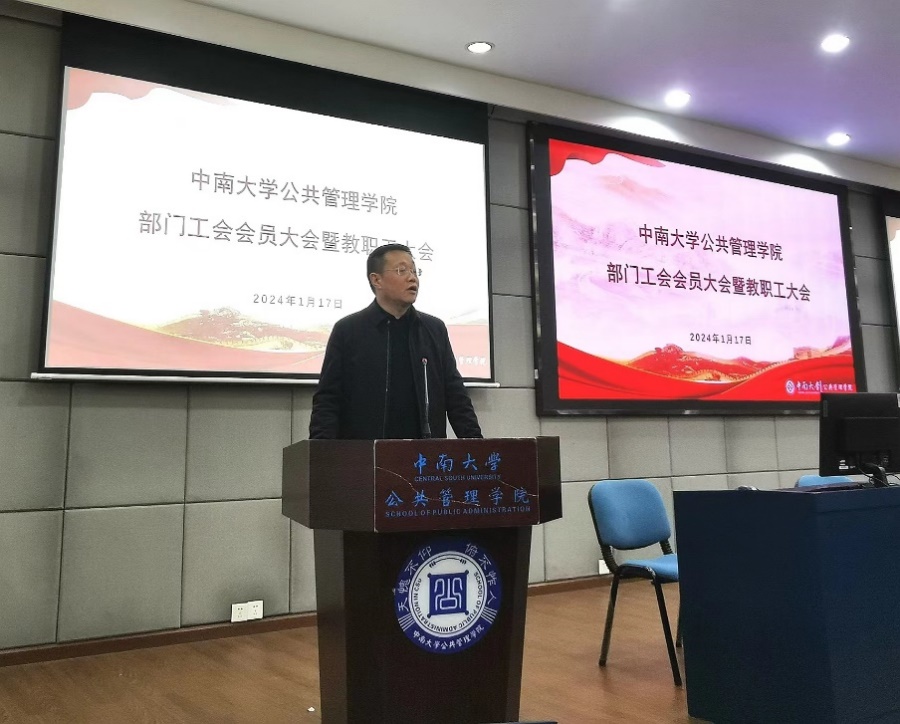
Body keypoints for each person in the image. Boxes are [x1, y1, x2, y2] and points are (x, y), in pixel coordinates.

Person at [309, 243, 482, 440]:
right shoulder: (349, 330)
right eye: (401, 270)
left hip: (424, 453)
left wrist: (476, 444)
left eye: (414, 271)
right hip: (365, 452)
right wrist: (321, 451)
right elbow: (328, 399)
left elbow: (455, 394)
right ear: (376, 280)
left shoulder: (433, 330)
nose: (412, 278)